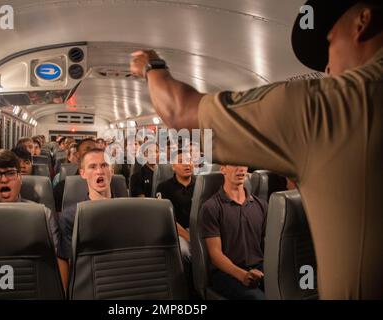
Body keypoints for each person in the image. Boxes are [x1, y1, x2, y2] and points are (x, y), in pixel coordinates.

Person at [130, 0, 383, 299]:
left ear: (362, 21)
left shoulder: (328, 106)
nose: (327, 68)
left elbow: (179, 111)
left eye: (329, 44)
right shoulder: (210, 206)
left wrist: (151, 64)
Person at [0, 150, 67, 287]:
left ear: (20, 178)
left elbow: (58, 258)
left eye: (10, 173)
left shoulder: (42, 215)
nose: (4, 180)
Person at [201, 165, 267, 299]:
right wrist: (242, 275)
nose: (241, 169)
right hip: (226, 273)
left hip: (259, 267)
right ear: (223, 169)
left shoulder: (261, 205)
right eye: (235, 165)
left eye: (243, 165)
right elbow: (215, 254)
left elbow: (267, 245)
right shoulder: (211, 207)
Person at [58, 149, 120, 261]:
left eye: (104, 165)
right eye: (92, 167)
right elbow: (65, 259)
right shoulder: (71, 216)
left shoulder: (128, 210)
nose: (99, 171)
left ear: (112, 170)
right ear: (82, 173)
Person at [156, 150, 194, 261]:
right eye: (181, 161)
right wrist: (189, 237)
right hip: (177, 231)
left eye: (189, 160)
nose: (187, 164)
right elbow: (166, 218)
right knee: (184, 251)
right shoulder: (163, 187)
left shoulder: (201, 184)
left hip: (199, 229)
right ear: (173, 167)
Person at [53, 138, 96, 211]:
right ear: (77, 155)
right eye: (88, 150)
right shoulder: (63, 188)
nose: (94, 154)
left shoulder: (110, 184)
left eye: (97, 150)